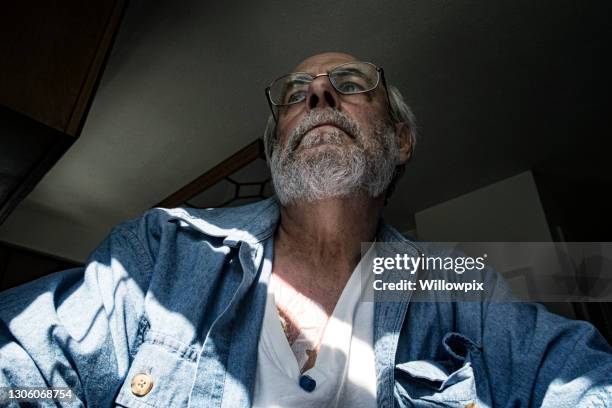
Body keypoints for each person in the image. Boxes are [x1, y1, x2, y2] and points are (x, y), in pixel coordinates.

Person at [0, 52, 610, 407]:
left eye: (349, 85)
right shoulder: (168, 247)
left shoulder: (446, 279)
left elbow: (575, 378)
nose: (318, 93)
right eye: (296, 94)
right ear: (276, 152)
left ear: (399, 141)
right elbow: (25, 361)